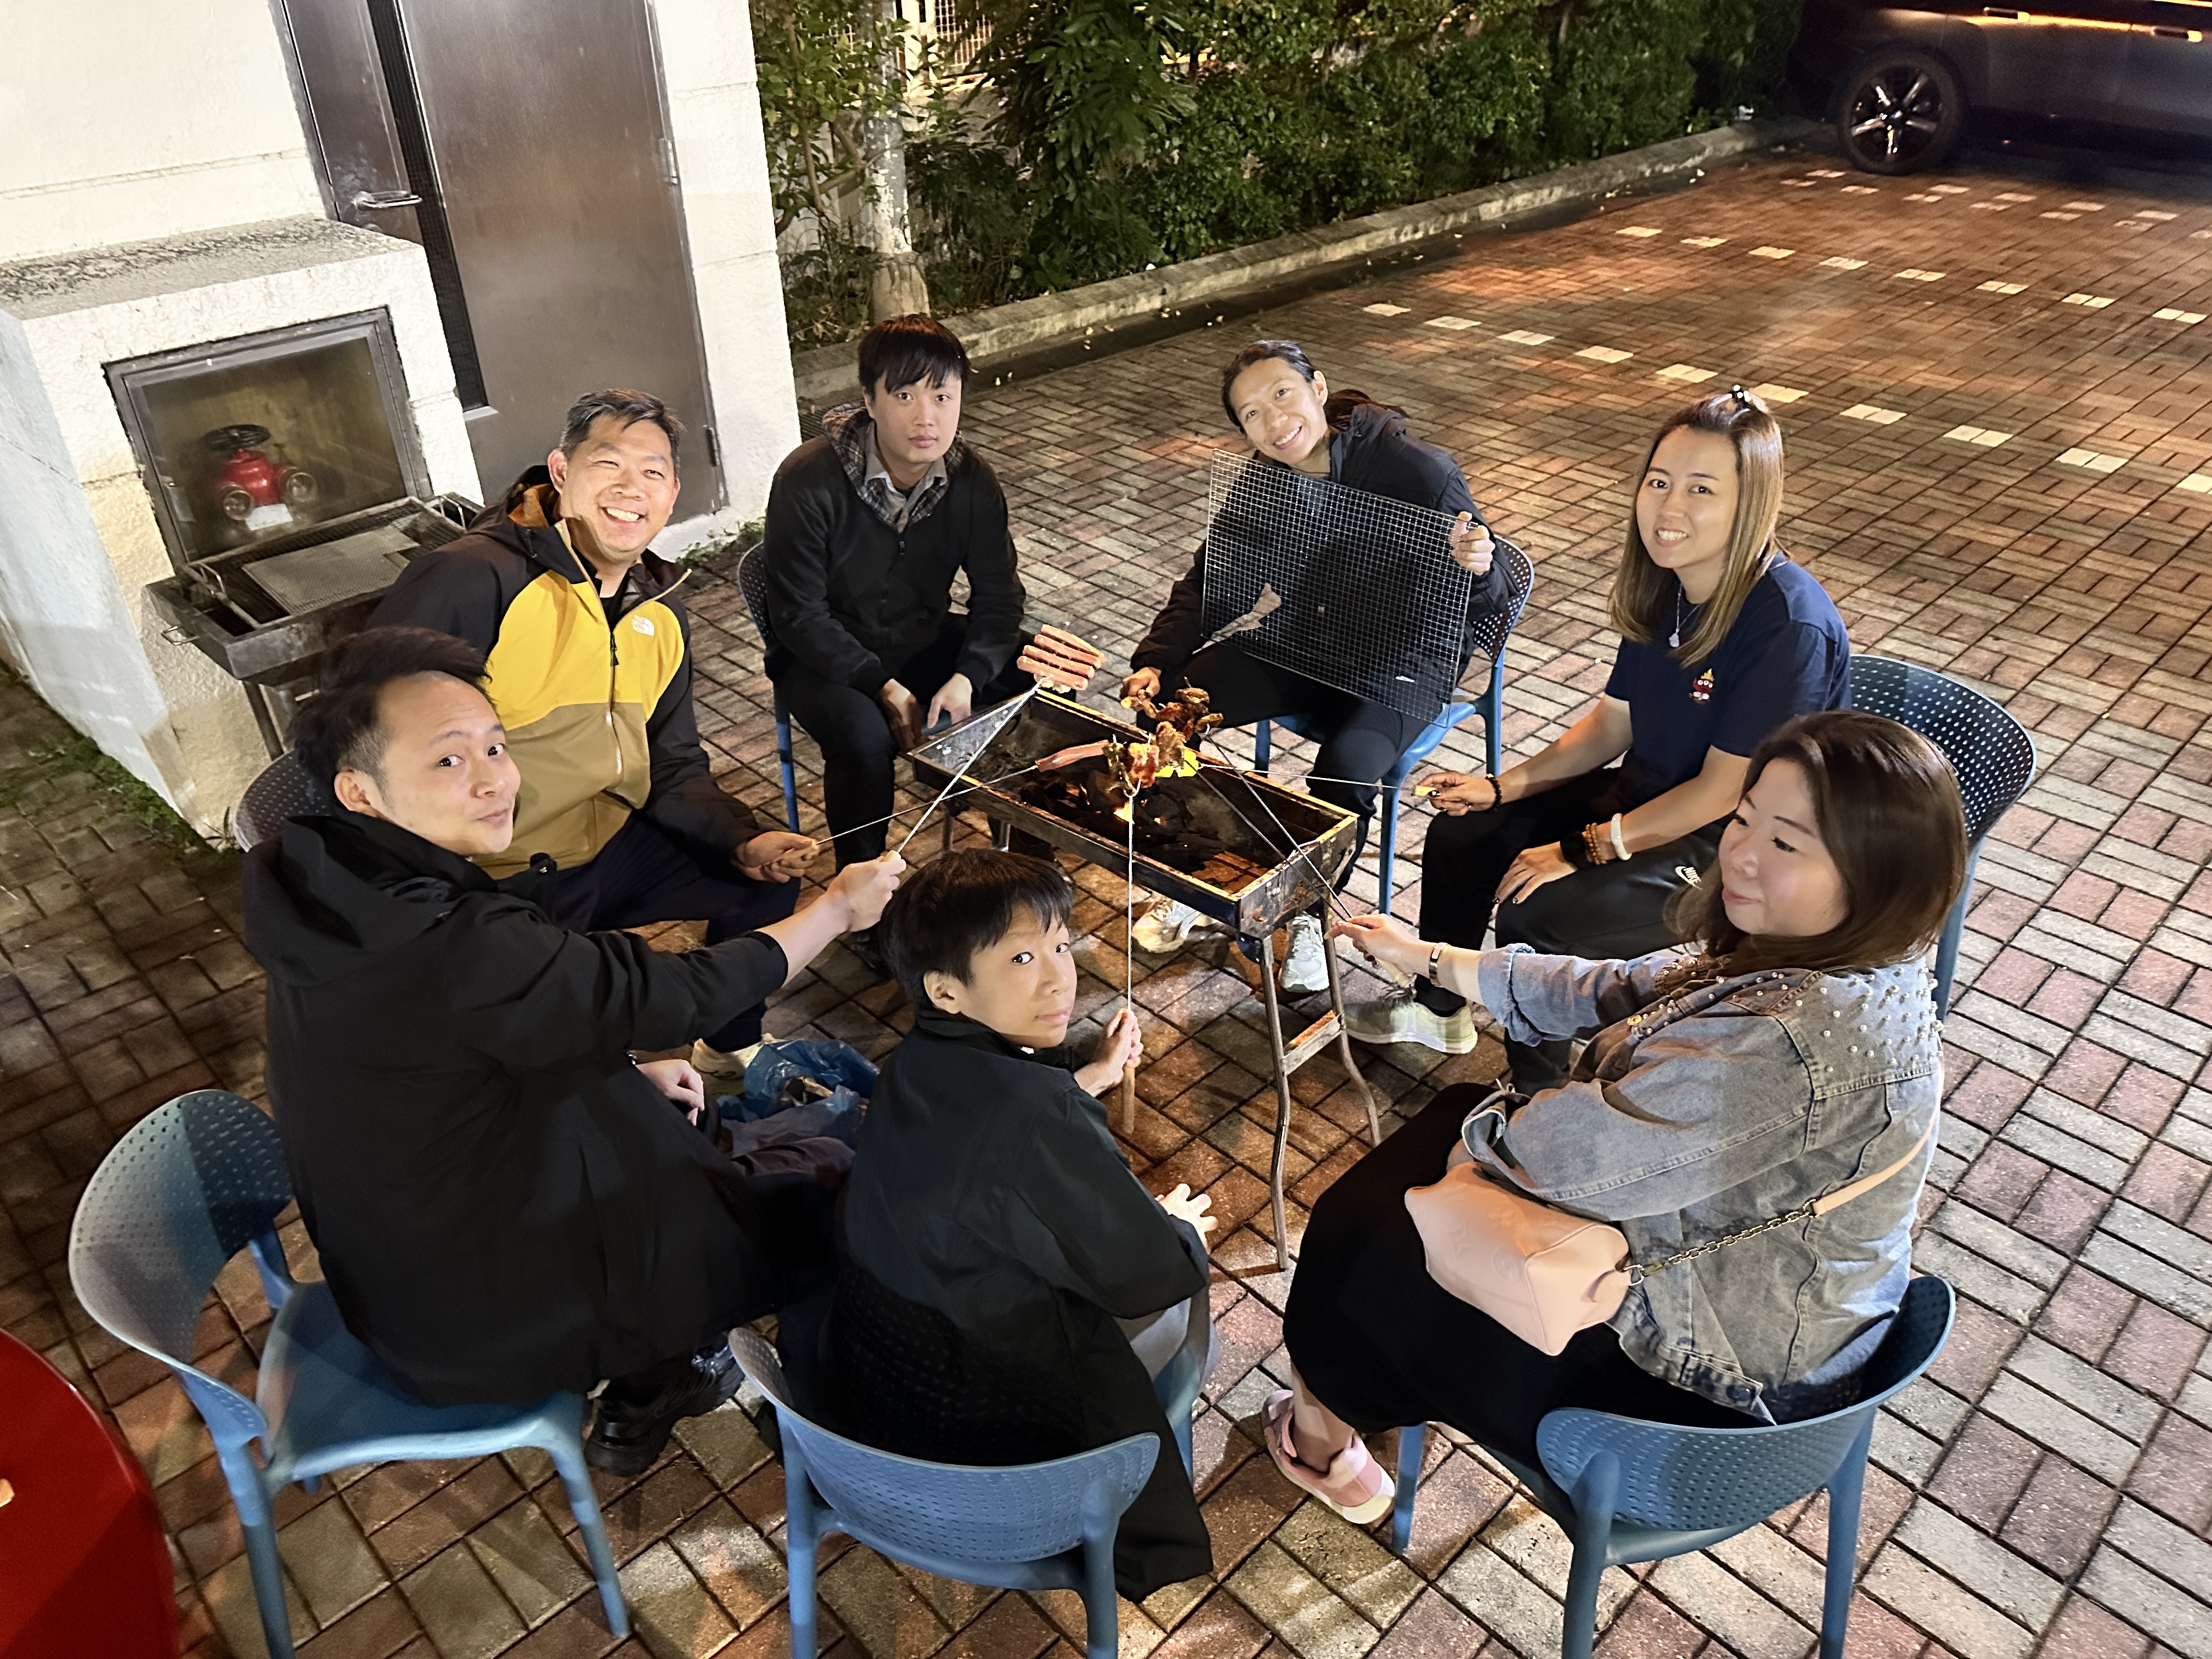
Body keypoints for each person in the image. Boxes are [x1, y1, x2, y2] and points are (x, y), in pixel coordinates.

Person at [1262, 710, 1964, 1519]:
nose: (1741, 854)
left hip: (1710, 1395)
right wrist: (1430, 959)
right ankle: (1346, 1398)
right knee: (1437, 1139)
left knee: (1359, 1239)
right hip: (1742, 1286)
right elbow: (1620, 987)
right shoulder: (1842, 956)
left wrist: (1489, 1138)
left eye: (1787, 844)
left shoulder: (1791, 1041)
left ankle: (1323, 1444)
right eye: (1744, 820)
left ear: (1877, 873)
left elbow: (1551, 1161)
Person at [241, 627, 905, 1474]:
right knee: (828, 1201)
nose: (494, 779)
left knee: (687, 1125)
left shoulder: (323, 875)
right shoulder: (448, 940)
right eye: (448, 760)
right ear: (359, 791)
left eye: (495, 746)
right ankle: (683, 1383)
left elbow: (481, 1033)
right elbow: (674, 992)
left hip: (406, 1268)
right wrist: (837, 911)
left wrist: (622, 1066)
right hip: (480, 1316)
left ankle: (662, 1351)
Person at [1348, 386, 1851, 1085]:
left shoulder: (1786, 623)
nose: (1669, 509)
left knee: (1538, 907)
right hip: (1649, 798)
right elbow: (1612, 724)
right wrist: (1501, 788)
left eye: (1701, 489)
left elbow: (1722, 792)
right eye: (1659, 482)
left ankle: (1535, 1095)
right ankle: (1441, 1010)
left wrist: (1584, 848)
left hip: (1737, 841)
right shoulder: (1670, 583)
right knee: (1464, 834)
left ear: (1751, 503)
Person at [370, 387, 809, 1082]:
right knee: (562, 1053)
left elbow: (673, 763)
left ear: (672, 496)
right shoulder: (474, 580)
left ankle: (728, 1046)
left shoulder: (659, 610)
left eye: (653, 472)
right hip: (498, 873)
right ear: (561, 471)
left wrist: (740, 839)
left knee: (759, 881)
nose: (632, 488)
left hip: (606, 844)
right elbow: (370, 735)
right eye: (609, 464)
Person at [823, 850, 1217, 1599]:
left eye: (1062, 946)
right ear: (946, 989)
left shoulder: (911, 1062)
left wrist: (1091, 1078)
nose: (1060, 978)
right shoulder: (1041, 1112)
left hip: (879, 1374)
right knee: (1185, 1303)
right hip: (991, 1431)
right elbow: (1144, 1273)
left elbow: (989, 1143)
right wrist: (1179, 1228)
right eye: (1022, 958)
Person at [1122, 339, 1510, 994]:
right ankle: (1204, 876)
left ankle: (1306, 919)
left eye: (1283, 394)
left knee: (1344, 771)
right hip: (1310, 639)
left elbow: (1490, 593)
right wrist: (1157, 662)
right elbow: (1216, 579)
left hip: (1406, 659)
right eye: (1251, 413)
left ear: (1318, 390)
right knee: (1171, 711)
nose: (1274, 420)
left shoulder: (1417, 470)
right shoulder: (1265, 481)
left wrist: (1479, 564)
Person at [761, 317, 1030, 892]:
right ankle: (860, 892)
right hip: (823, 657)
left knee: (1037, 681)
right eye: (905, 395)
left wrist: (969, 674)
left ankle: (1028, 860)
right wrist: (879, 684)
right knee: (864, 740)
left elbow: (1001, 596)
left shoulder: (971, 481)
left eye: (942, 396)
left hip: (921, 639)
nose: (926, 417)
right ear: (870, 400)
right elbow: (798, 614)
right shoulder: (808, 479)